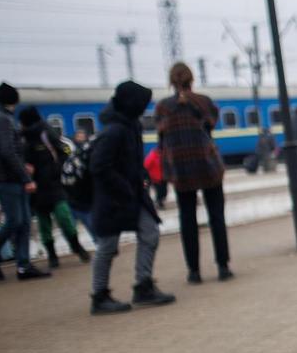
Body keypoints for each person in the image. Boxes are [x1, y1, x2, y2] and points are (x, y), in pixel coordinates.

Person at [89, 81, 175, 314]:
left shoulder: (130, 125)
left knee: (150, 232)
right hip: (112, 198)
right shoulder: (114, 131)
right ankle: (99, 296)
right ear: (132, 104)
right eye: (142, 104)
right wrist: (124, 186)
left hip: (132, 194)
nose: (145, 108)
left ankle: (143, 286)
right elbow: (99, 166)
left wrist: (142, 177)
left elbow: (132, 161)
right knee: (107, 245)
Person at [154, 62, 232, 284]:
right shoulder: (204, 101)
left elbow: (161, 139)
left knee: (187, 218)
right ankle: (223, 266)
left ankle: (194, 271)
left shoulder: (163, 107)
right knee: (216, 216)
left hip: (181, 170)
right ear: (191, 79)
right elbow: (212, 124)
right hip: (207, 166)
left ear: (171, 81)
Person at [0, 82, 50, 281]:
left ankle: (23, 265)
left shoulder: (0, 117)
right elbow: (7, 151)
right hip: (7, 179)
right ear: (13, 100)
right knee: (15, 220)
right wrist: (25, 176)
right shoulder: (3, 119)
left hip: (10, 177)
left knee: (23, 221)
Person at [18, 107, 90, 268]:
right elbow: (20, 161)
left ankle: (76, 246)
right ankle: (52, 254)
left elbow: (64, 152)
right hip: (36, 187)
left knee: (63, 216)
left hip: (54, 184)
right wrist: (28, 174)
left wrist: (56, 171)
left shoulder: (46, 134)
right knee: (44, 224)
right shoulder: (23, 140)